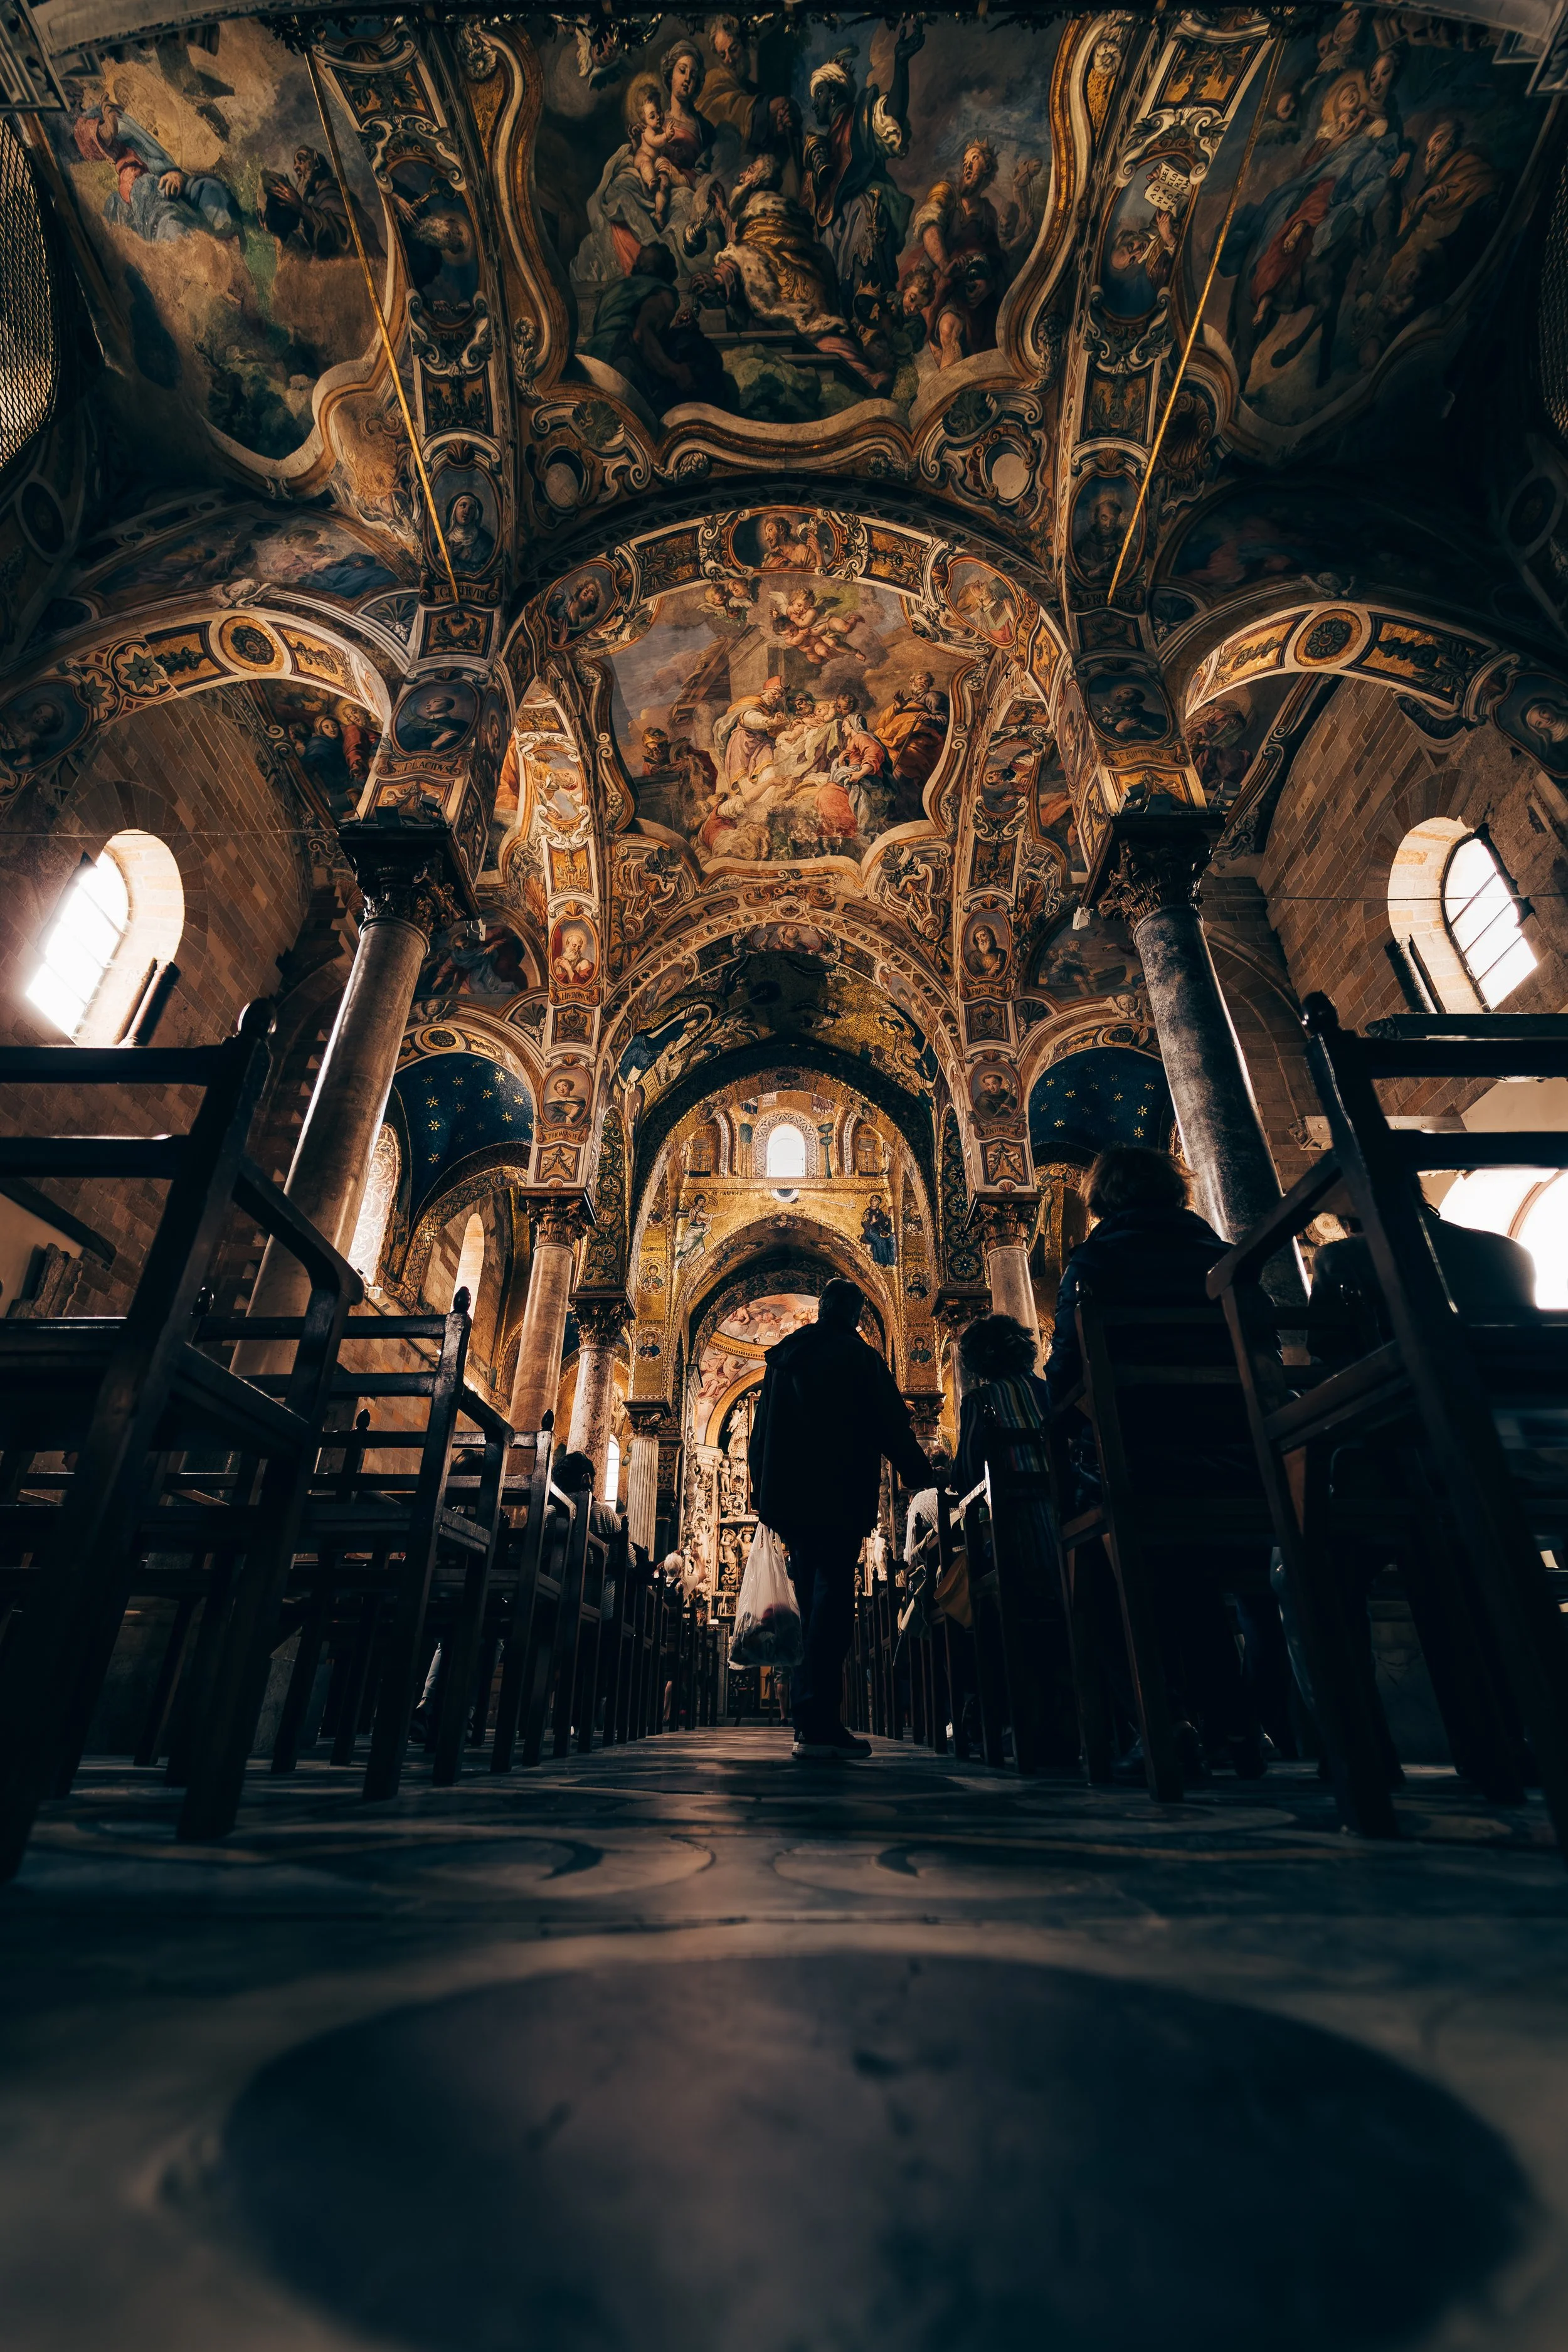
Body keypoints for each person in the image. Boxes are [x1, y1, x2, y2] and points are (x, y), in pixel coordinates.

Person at [1046, 1144, 1271, 1778]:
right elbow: (1265, 1348)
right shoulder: (1224, 1258)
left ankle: (1160, 1724)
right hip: (1239, 1463)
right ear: (1176, 1189)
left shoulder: (1094, 1263)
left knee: (1090, 1568)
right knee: (1199, 1582)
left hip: (1137, 1465)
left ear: (1103, 1199)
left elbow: (1065, 1374)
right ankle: (1234, 1726)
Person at [748, 1278, 929, 1759]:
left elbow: (760, 1433)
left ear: (821, 1310)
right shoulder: (859, 1357)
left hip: (791, 1501)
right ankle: (820, 1722)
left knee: (813, 1603)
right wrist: (922, 1477)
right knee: (831, 1606)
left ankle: (810, 1722)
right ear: (853, 1313)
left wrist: (762, 1494)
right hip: (841, 1497)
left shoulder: (784, 1361)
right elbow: (892, 1422)